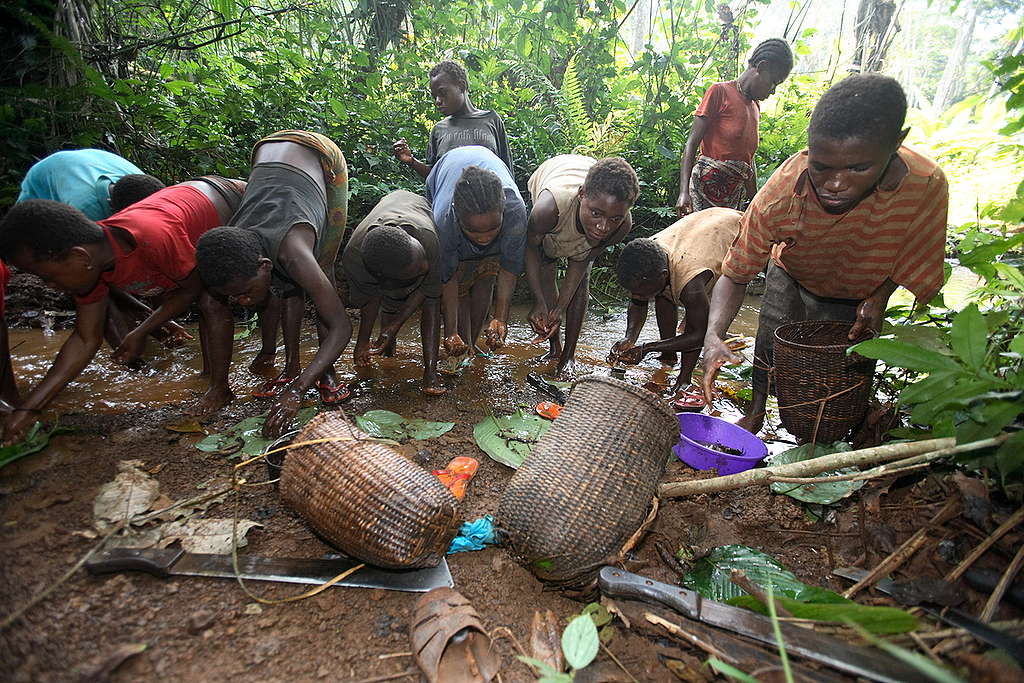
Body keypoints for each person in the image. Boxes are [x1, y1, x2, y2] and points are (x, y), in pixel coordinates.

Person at [701, 74, 949, 434]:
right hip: (793, 270)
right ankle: (756, 412)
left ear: (897, 142)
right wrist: (713, 335)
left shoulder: (926, 186)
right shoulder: (784, 191)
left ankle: (832, 432)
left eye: (858, 168)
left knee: (842, 366)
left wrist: (879, 298)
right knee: (770, 340)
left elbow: (914, 255)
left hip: (858, 289)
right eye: (821, 167)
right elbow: (736, 272)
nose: (835, 184)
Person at [0, 180, 240, 443]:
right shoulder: (93, 268)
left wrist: (141, 331)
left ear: (80, 257)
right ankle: (206, 377)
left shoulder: (150, 237)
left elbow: (192, 289)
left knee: (211, 300)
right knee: (201, 294)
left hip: (233, 201)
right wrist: (28, 409)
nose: (51, 287)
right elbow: (84, 339)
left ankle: (220, 389)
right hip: (190, 215)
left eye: (48, 277)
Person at [194, 130, 351, 438]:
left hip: (321, 154)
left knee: (322, 267)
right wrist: (218, 387)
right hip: (265, 153)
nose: (242, 303)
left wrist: (298, 391)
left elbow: (342, 326)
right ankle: (291, 367)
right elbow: (214, 308)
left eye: (243, 293)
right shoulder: (232, 241)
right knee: (284, 284)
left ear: (263, 266)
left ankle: (327, 373)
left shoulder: (294, 252)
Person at [609, 208, 741, 407]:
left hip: (736, 230)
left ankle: (684, 379)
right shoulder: (647, 256)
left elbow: (699, 335)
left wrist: (648, 348)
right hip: (705, 224)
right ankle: (669, 354)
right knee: (663, 294)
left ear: (663, 275)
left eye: (641, 293)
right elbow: (639, 298)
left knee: (700, 318)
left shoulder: (691, 284)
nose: (638, 298)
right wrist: (630, 338)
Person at [524, 155, 639, 377]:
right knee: (547, 266)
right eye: (596, 214)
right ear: (582, 194)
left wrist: (560, 309)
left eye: (614, 218)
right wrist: (538, 300)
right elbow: (531, 250)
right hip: (553, 177)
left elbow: (582, 259)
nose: (604, 227)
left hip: (585, 183)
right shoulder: (547, 210)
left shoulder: (622, 225)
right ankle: (554, 347)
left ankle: (568, 356)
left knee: (581, 281)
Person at [426, 146, 527, 356]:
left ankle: (473, 342)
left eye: (492, 229)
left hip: (490, 166)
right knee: (460, 271)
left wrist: (501, 318)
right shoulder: (445, 219)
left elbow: (508, 269)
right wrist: (451, 332)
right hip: (444, 170)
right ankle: (463, 340)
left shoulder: (515, 211)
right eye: (473, 231)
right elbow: (449, 278)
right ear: (458, 217)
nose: (484, 238)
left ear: (503, 210)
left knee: (488, 272)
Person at [342, 190, 445, 395]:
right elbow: (370, 298)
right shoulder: (354, 258)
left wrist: (395, 325)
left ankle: (431, 372)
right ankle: (388, 356)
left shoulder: (428, 238)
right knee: (386, 304)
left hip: (416, 208)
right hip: (383, 220)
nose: (426, 267)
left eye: (422, 260)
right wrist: (362, 343)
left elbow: (429, 291)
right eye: (418, 270)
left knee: (432, 303)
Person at [675, 39, 794, 217]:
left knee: (724, 239)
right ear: (761, 67)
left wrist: (755, 202)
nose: (773, 91)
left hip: (732, 197)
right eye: (774, 82)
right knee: (699, 237)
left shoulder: (755, 107)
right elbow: (691, 143)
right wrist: (683, 192)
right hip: (703, 189)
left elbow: (748, 160)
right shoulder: (719, 92)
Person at [393, 60, 514, 179]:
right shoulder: (439, 130)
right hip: (450, 198)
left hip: (490, 197)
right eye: (434, 96)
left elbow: (506, 170)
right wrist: (411, 161)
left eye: (442, 93)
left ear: (461, 86)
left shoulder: (491, 120)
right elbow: (435, 178)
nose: (438, 101)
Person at [18, 148, 164, 220]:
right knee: (25, 221)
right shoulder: (86, 207)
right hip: (45, 172)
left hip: (89, 161)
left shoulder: (143, 185)